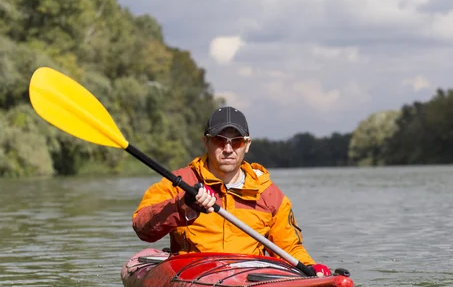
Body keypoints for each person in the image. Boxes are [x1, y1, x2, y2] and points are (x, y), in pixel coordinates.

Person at [132, 106, 332, 277]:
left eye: (236, 141)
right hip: (191, 274)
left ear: (247, 145)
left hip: (247, 278)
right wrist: (183, 206)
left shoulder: (269, 195)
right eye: (220, 140)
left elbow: (288, 248)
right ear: (206, 142)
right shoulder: (178, 183)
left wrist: (312, 268)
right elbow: (142, 227)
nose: (228, 149)